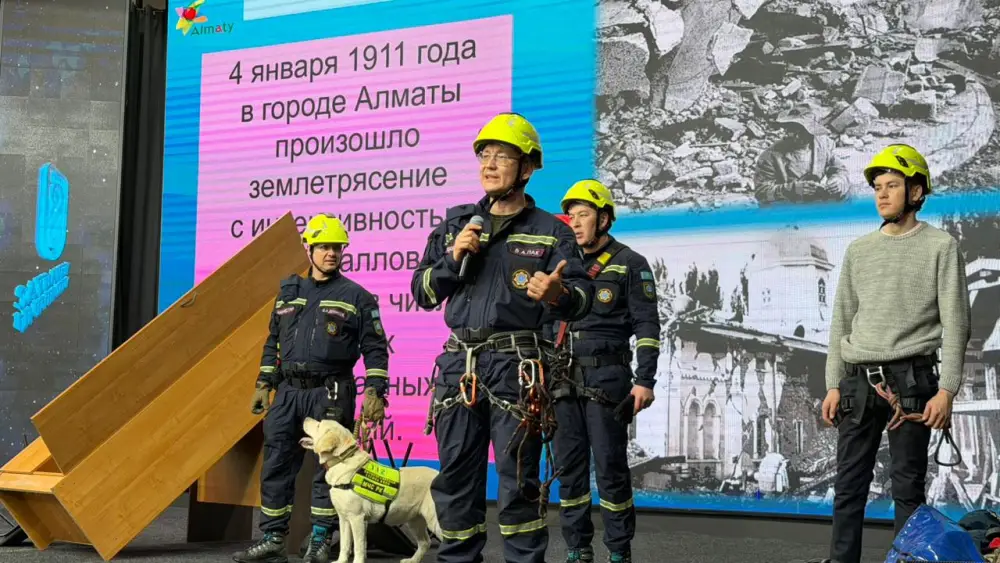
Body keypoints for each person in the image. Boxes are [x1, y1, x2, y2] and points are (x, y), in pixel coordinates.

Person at [410, 112, 595, 563]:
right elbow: (422, 292)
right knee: (454, 479)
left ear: (527, 168)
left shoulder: (552, 231)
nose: (490, 164)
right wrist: (453, 260)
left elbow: (585, 299)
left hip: (517, 368)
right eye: (484, 155)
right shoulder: (456, 227)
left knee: (518, 482)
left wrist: (559, 294)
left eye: (503, 156)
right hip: (459, 367)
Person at [818, 144, 971, 563]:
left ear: (917, 192)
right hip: (858, 379)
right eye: (878, 187)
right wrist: (833, 384)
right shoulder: (859, 251)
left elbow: (957, 323)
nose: (882, 195)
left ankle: (907, 561)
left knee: (907, 489)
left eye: (893, 186)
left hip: (914, 379)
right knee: (849, 486)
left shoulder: (941, 247)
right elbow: (841, 322)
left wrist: (948, 391)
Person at [234, 214, 391, 563]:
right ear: (309, 249)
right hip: (288, 391)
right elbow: (273, 340)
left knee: (330, 469)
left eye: (337, 247)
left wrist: (375, 391)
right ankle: (273, 539)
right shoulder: (289, 291)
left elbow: (376, 349)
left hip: (331, 390)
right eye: (323, 247)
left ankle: (320, 541)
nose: (331, 253)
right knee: (276, 462)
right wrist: (264, 382)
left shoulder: (358, 297)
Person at [549, 180, 661, 563]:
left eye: (584, 215)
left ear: (605, 219)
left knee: (611, 468)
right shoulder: (560, 265)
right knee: (569, 472)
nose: (575, 223)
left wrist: (645, 381)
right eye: (571, 216)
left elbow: (648, 326)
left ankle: (618, 550)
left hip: (607, 379)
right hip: (562, 380)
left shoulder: (631, 264)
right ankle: (577, 549)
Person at [754, 104, 851, 206]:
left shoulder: (821, 147)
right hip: (786, 207)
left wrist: (838, 181)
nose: (796, 136)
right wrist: (792, 190)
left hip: (812, 203)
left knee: (846, 194)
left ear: (812, 133)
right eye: (792, 130)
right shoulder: (771, 156)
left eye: (802, 132)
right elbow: (761, 193)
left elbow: (840, 170)